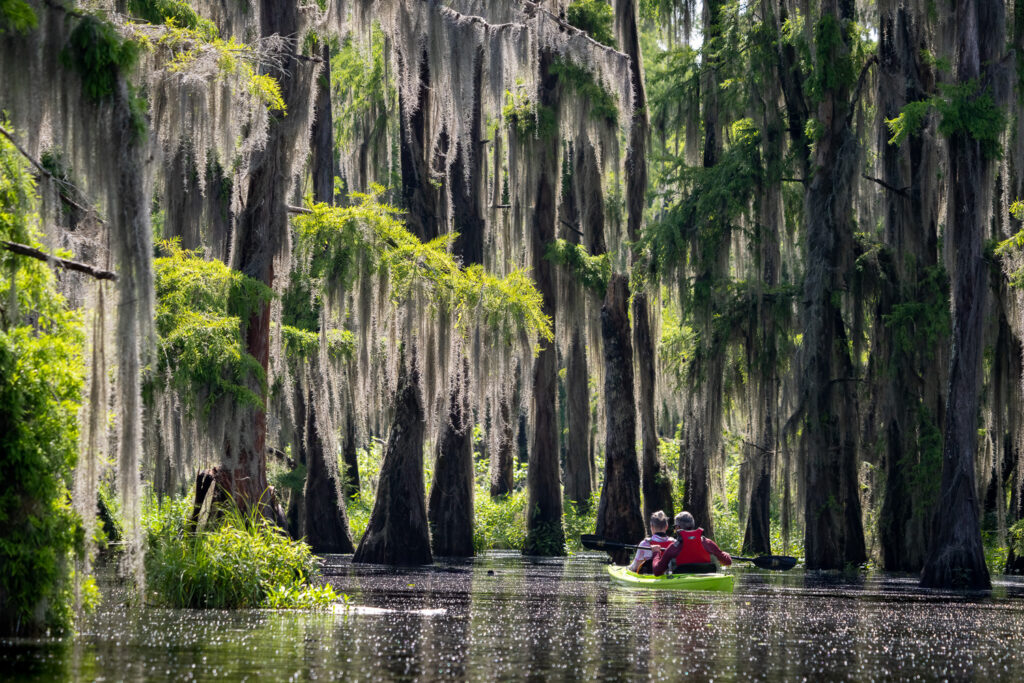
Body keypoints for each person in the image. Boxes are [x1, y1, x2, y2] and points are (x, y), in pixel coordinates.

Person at [652, 511, 732, 576]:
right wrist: (725, 554)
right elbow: (728, 562)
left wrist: (656, 553)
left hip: (682, 583)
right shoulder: (708, 543)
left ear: (677, 528)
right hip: (706, 579)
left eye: (675, 527)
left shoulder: (673, 548)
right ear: (692, 525)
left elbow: (657, 571)